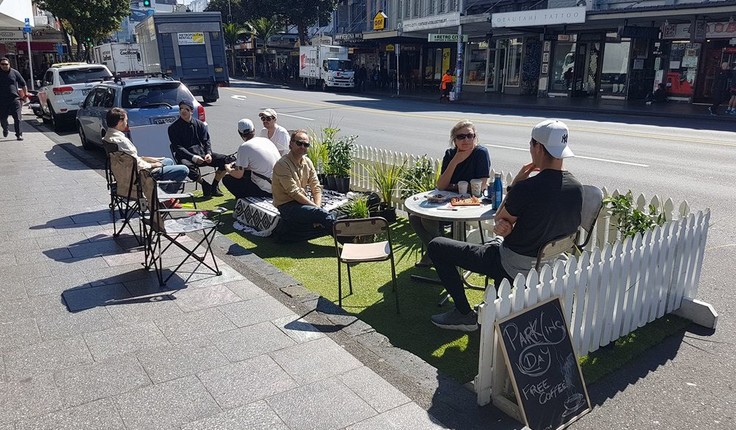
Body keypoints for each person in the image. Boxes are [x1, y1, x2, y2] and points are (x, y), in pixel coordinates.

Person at [428, 119, 583, 332]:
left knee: (437, 245)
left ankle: (463, 314)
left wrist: (517, 182)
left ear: (537, 147)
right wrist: (509, 228)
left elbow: (499, 219)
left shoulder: (528, 187)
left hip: (511, 264)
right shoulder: (576, 187)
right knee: (492, 242)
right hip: (548, 264)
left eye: (531, 145)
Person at [410, 120, 490, 267]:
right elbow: (441, 186)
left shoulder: (480, 153)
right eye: (461, 137)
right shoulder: (450, 154)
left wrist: (453, 186)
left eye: (470, 136)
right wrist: (455, 161)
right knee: (415, 217)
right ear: (454, 140)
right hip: (447, 201)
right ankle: (440, 251)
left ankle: (437, 252)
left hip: (470, 203)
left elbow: (480, 186)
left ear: (475, 137)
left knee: (427, 220)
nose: (466, 140)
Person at [103, 108, 189, 208]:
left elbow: (130, 160)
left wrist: (150, 159)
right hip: (139, 176)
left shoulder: (108, 137)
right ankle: (163, 199)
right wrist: (153, 164)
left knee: (168, 161)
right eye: (126, 120)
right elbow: (136, 164)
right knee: (183, 170)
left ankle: (163, 196)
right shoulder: (120, 141)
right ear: (120, 121)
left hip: (125, 175)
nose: (127, 122)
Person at [271, 129, 336, 243]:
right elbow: (294, 193)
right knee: (322, 215)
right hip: (287, 206)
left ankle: (351, 241)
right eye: (299, 143)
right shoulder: (282, 164)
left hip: (301, 203)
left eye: (306, 144)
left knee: (330, 215)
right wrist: (316, 210)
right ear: (291, 144)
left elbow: (316, 187)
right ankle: (351, 244)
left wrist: (316, 207)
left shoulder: (307, 162)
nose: (302, 146)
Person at [168, 100, 229, 198]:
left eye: (186, 109)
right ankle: (205, 185)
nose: (183, 111)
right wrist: (193, 157)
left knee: (227, 160)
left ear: (191, 111)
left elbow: (206, 141)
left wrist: (208, 153)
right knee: (186, 167)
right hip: (185, 156)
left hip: (202, 154)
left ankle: (214, 185)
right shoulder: (173, 128)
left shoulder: (200, 124)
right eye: (181, 109)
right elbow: (178, 147)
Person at [222, 118, 280, 199]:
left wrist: (228, 168)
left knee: (227, 179)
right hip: (279, 186)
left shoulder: (244, 147)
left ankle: (243, 200)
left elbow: (238, 175)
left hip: (266, 190)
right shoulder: (266, 140)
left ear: (239, 133)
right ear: (254, 130)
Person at [0, 57, 28, 141]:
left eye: (6, 64)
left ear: (9, 64)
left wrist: (25, 95)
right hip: (2, 100)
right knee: (3, 118)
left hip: (14, 99)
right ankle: (5, 128)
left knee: (17, 117)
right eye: (2, 64)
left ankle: (19, 135)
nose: (4, 66)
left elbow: (23, 84)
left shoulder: (15, 73)